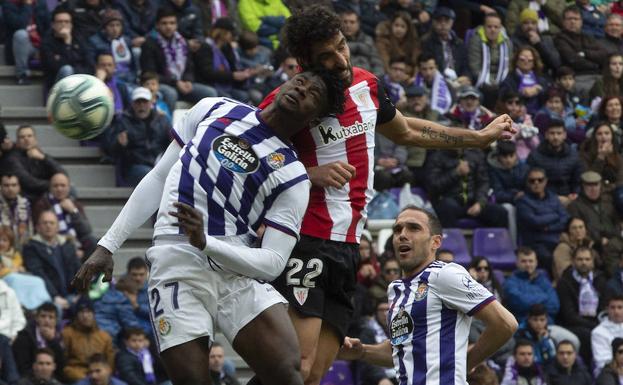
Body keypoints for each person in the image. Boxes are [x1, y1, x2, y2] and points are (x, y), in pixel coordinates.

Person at [258, 6, 515, 384]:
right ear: (304, 61)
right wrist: (309, 173)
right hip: (307, 238)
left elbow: (408, 132)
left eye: (341, 47)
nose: (340, 60)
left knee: (314, 376)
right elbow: (247, 161)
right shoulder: (291, 100)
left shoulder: (367, 85)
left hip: (347, 246)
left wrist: (477, 138)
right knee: (300, 366)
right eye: (326, 56)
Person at [72, 68, 347, 385]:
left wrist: (206, 242)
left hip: (234, 271)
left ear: (314, 119)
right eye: (300, 82)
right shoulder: (214, 108)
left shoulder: (294, 177)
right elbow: (159, 177)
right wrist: (108, 245)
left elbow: (272, 262)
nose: (301, 90)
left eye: (313, 94)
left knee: (288, 372)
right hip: (175, 265)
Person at [336, 205, 518, 385]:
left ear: (435, 242)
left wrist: (467, 362)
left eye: (414, 228)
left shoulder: (445, 274)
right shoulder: (396, 289)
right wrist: (362, 352)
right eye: (398, 229)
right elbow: (404, 351)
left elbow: (505, 324)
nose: (402, 235)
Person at [140, 8, 217, 113]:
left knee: (210, 93)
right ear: (157, 25)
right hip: (162, 84)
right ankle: (167, 127)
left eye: (172, 23)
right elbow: (150, 73)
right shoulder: (149, 44)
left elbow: (189, 66)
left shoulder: (182, 41)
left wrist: (188, 80)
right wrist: (176, 83)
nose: (168, 27)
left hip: (182, 82)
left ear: (176, 25)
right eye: (164, 23)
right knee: (170, 93)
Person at [104, 87, 171, 186]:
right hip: (134, 167)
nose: (141, 105)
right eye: (138, 102)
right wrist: (119, 144)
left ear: (150, 103)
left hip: (159, 164)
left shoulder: (162, 120)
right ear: (132, 104)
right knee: (151, 176)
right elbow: (109, 150)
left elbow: (171, 145)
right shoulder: (122, 121)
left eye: (144, 102)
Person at [557, 246, 608, 365]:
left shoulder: (600, 280)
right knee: (587, 335)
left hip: (597, 322)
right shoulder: (565, 282)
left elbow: (603, 307)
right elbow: (569, 315)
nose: (584, 263)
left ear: (593, 262)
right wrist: (593, 326)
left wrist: (599, 324)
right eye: (580, 259)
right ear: (573, 261)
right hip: (573, 324)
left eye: (587, 259)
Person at [23, 211, 81, 313]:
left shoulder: (68, 244)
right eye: (44, 223)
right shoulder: (31, 247)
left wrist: (80, 294)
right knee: (55, 311)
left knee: (86, 307)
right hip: (47, 297)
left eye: (52, 223)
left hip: (71, 294)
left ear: (58, 227)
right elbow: (38, 273)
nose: (48, 226)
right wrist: (55, 297)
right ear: (37, 227)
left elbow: (78, 269)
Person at [567, 171, 623, 276]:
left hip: (614, 241)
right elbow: (577, 230)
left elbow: (617, 222)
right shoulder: (575, 206)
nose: (593, 189)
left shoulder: (608, 202)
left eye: (596, 185)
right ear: (583, 186)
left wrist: (616, 237)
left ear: (600, 185)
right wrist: (597, 241)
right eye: (589, 185)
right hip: (593, 245)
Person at [515, 168, 570, 271]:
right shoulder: (522, 201)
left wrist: (548, 227)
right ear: (527, 183)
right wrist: (555, 215)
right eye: (532, 181)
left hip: (557, 239)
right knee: (547, 257)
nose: (536, 183)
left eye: (540, 180)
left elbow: (565, 218)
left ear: (546, 181)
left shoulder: (553, 198)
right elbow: (535, 222)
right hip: (536, 242)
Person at [32, 172, 97, 257]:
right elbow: (42, 231)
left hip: (77, 245)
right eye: (55, 186)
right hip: (54, 245)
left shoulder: (75, 204)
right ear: (50, 188)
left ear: (69, 187)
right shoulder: (42, 205)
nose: (59, 189)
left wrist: (73, 211)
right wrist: (71, 250)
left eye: (63, 185)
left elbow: (86, 231)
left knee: (93, 242)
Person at [527, 120, 583, 206]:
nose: (555, 137)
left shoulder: (574, 155)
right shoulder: (535, 156)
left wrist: (575, 193)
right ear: (546, 135)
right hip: (542, 198)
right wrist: (553, 198)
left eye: (559, 133)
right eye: (552, 133)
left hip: (568, 197)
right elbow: (530, 182)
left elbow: (577, 181)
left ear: (564, 135)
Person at [554, 5, 608, 94]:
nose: (573, 21)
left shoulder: (587, 37)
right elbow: (572, 59)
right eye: (569, 19)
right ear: (563, 21)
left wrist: (585, 53)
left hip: (598, 76)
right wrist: (595, 64)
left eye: (576, 19)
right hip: (578, 77)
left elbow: (603, 54)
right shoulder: (560, 38)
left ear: (581, 22)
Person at [6, 125, 65, 203]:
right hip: (27, 198)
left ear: (35, 140)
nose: (26, 139)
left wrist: (44, 158)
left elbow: (62, 174)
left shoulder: (40, 155)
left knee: (68, 189)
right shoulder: (13, 159)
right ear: (17, 142)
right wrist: (54, 185)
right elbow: (29, 182)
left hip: (44, 195)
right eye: (22, 137)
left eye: (29, 136)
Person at [62, 298, 115, 383]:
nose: (85, 315)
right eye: (81, 312)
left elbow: (110, 362)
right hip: (77, 374)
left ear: (93, 314)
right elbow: (63, 363)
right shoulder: (67, 334)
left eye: (88, 312)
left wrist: (102, 374)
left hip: (100, 374)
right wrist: (84, 377)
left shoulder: (104, 336)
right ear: (76, 315)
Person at [503, 247, 560, 323]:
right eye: (524, 261)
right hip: (522, 327)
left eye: (531, 261)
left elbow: (554, 305)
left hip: (549, 326)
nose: (528, 264)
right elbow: (520, 304)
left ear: (536, 262)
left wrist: (529, 301)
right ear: (517, 263)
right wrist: (544, 297)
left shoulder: (543, 280)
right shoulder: (510, 283)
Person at [468, 12, 513, 108]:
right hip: (480, 82)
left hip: (500, 82)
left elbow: (508, 66)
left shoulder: (507, 43)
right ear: (484, 27)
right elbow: (474, 67)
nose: (493, 30)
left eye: (496, 27)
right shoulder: (476, 40)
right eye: (489, 26)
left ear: (500, 28)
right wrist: (491, 84)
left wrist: (498, 84)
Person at [40, 7, 93, 88]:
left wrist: (76, 72)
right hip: (57, 85)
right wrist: (67, 44)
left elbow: (90, 66)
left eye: (67, 22)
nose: (63, 24)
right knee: (67, 69)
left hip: (80, 81)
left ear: (71, 25)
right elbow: (54, 68)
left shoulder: (79, 39)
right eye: (60, 22)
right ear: (53, 25)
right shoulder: (47, 43)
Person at [2, 0, 50, 85]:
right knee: (21, 34)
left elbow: (48, 29)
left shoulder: (41, 4)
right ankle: (22, 75)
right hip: (19, 50)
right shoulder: (9, 4)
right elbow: (20, 24)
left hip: (39, 46)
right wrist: (27, 5)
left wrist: (42, 48)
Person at [420, 7, 470, 87]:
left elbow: (466, 66)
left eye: (446, 21)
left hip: (458, 81)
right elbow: (428, 66)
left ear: (452, 23)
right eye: (439, 21)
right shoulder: (426, 42)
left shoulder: (459, 43)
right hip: (438, 83)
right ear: (433, 22)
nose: (443, 24)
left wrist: (465, 77)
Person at [12, 303, 65, 379]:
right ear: (36, 318)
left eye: (51, 317)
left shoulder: (59, 336)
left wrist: (53, 341)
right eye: (43, 316)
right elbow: (22, 368)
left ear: (56, 321)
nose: (47, 320)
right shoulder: (24, 337)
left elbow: (61, 366)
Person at [510, 8, 561, 74]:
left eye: (533, 23)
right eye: (526, 23)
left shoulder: (547, 39)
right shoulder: (514, 41)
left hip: (544, 77)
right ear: (521, 25)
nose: (530, 26)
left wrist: (539, 44)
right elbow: (514, 65)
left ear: (537, 25)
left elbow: (556, 64)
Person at [338, 9, 384, 78]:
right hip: (347, 79)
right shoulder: (336, 40)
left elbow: (376, 62)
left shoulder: (367, 39)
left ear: (358, 24)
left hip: (368, 78)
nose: (348, 25)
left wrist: (375, 78)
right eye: (345, 22)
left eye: (352, 22)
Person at [552, 217, 597, 283]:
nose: (578, 230)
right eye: (574, 228)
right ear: (569, 231)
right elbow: (564, 273)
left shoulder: (589, 245)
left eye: (581, 227)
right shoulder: (562, 248)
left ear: (586, 230)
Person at [592, 294, 623, 375]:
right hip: (609, 374)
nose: (616, 311)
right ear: (607, 309)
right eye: (612, 307)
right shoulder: (598, 332)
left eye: (620, 307)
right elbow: (602, 362)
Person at [0, 174, 33, 246]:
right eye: (6, 185)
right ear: (1, 187)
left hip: (22, 248)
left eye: (14, 185)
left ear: (19, 187)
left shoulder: (25, 203)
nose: (10, 188)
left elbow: (30, 229)